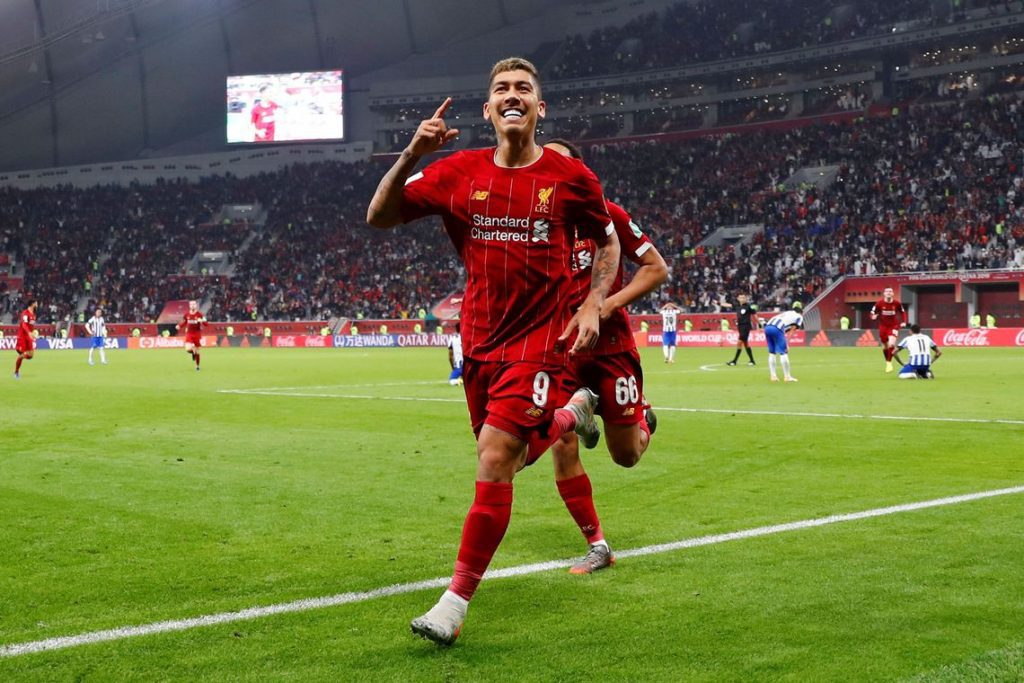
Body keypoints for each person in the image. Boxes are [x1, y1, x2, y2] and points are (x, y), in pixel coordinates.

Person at [366, 56, 620, 646]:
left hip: (540, 343)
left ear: (539, 107)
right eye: (502, 88)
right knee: (512, 457)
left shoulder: (570, 177)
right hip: (480, 342)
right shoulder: (458, 172)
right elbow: (378, 217)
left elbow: (608, 243)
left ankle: (453, 604)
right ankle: (573, 414)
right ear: (487, 109)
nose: (513, 95)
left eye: (524, 88)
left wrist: (593, 303)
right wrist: (412, 153)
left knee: (496, 456)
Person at [540, 138, 669, 574]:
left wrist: (606, 305)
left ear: (579, 172)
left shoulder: (607, 215)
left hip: (612, 349)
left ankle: (640, 418)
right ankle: (597, 545)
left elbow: (656, 268)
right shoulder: (535, 225)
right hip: (563, 351)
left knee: (626, 456)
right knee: (560, 442)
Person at [869, 287, 906, 373]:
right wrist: (872, 316)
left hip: (894, 326)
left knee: (891, 344)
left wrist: (904, 321)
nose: (889, 293)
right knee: (885, 346)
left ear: (893, 293)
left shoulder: (897, 303)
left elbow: (903, 312)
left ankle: (889, 363)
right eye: (887, 291)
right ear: (884, 293)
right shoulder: (879, 303)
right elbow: (872, 312)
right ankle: (887, 361)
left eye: (890, 291)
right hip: (883, 327)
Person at [764, 306, 804, 383]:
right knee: (783, 352)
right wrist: (787, 343)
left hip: (767, 327)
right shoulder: (799, 316)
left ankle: (773, 376)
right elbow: (793, 330)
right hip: (777, 328)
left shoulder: (788, 313)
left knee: (772, 352)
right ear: (801, 313)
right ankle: (787, 377)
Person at [725, 294, 759, 366]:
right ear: (738, 299)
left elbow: (754, 314)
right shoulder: (737, 306)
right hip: (740, 327)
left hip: (746, 326)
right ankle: (752, 361)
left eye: (744, 298)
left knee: (739, 342)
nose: (742, 299)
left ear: (746, 299)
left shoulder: (748, 306)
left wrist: (759, 324)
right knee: (745, 343)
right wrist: (718, 303)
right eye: (741, 298)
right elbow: (728, 305)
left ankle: (734, 361)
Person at [176, 300, 206, 371]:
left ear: (196, 305)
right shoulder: (187, 314)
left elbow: (206, 324)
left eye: (194, 304)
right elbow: (185, 322)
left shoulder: (200, 315)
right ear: (189, 306)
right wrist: (180, 326)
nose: (192, 306)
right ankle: (193, 353)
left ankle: (197, 366)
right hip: (189, 334)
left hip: (197, 334)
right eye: (191, 304)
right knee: (188, 349)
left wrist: (202, 321)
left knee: (197, 351)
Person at [14, 298, 38, 379]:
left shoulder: (34, 314)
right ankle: (16, 372)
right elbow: (24, 324)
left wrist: (33, 332)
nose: (37, 305)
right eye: (36, 303)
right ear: (32, 304)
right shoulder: (25, 313)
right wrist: (29, 332)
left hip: (29, 337)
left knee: (31, 355)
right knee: (23, 354)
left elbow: (31, 325)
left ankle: (21, 356)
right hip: (23, 336)